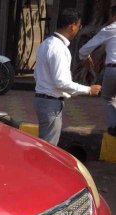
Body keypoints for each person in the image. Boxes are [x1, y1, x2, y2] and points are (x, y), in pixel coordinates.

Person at [34, 8, 101, 145]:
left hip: (43, 100)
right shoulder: (59, 48)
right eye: (79, 26)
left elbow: (37, 73)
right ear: (72, 26)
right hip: (50, 103)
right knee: (48, 149)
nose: (79, 29)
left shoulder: (46, 43)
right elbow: (61, 82)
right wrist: (88, 89)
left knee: (44, 146)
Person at [79, 5, 116, 137]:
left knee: (107, 97)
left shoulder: (110, 28)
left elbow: (84, 49)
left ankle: (114, 125)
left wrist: (85, 57)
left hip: (113, 70)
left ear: (113, 16)